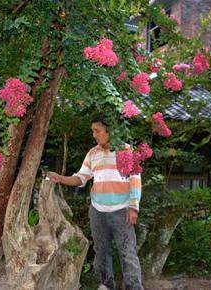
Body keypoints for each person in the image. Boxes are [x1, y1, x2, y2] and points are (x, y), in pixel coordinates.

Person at [46, 116, 143, 290]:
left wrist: (133, 207)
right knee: (101, 252)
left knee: (128, 252)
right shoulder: (93, 153)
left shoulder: (127, 151)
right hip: (97, 211)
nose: (94, 135)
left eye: (97, 131)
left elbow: (135, 179)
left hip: (122, 210)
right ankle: (106, 285)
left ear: (109, 131)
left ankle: (134, 287)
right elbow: (80, 178)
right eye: (93, 131)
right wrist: (59, 178)